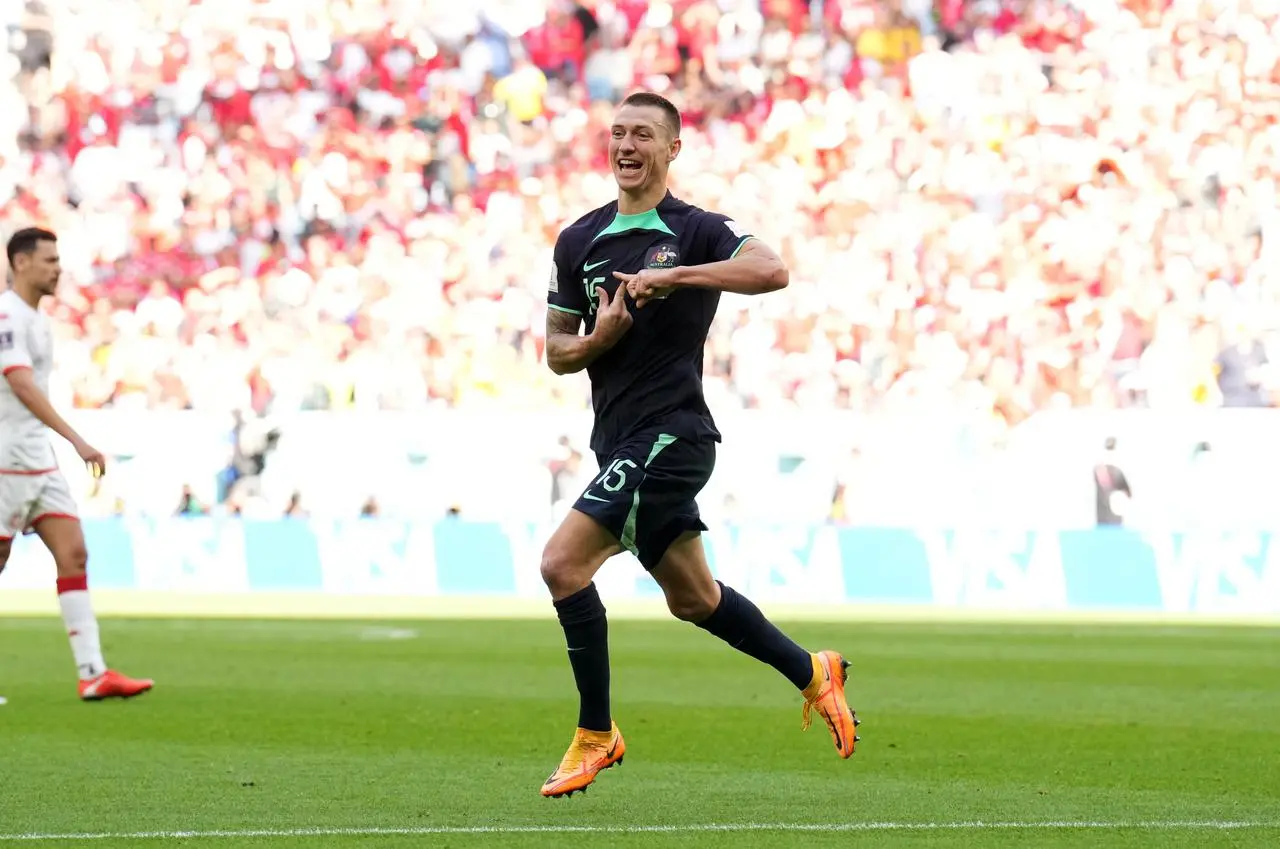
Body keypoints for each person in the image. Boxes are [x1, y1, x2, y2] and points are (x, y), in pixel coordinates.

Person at [539, 93, 859, 798]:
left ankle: (597, 731)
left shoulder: (696, 229)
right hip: (618, 440)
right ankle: (813, 671)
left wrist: (676, 275)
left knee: (562, 564)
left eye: (643, 134)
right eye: (618, 132)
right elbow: (558, 351)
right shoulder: (579, 240)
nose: (626, 144)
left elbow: (771, 269)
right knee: (694, 597)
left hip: (672, 435)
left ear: (672, 148)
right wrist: (602, 337)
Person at [0, 227, 153, 701]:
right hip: (6, 458)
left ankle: (93, 672)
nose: (57, 268)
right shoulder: (7, 314)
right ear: (21, 262)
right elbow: (22, 385)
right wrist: (77, 440)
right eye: (48, 260)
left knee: (74, 553)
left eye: (58, 259)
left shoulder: (38, 320)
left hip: (36, 460)